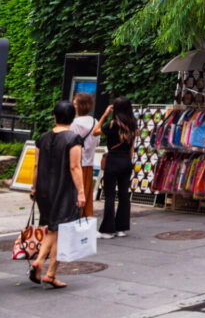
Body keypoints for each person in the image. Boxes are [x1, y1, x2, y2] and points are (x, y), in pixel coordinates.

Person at [30, 100, 86, 288]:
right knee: (60, 229)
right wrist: (81, 192)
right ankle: (44, 265)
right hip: (63, 190)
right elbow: (75, 167)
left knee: (54, 229)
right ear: (72, 118)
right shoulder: (73, 139)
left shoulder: (42, 138)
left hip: (44, 190)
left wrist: (34, 187)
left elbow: (37, 166)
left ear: (54, 117)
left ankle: (49, 271)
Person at [96, 97, 138, 238]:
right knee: (124, 195)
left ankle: (108, 230)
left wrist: (104, 114)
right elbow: (132, 147)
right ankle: (121, 228)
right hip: (126, 160)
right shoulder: (133, 124)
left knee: (110, 195)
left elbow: (95, 131)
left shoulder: (113, 124)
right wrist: (128, 161)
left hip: (113, 160)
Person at [69, 92, 99, 218]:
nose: (73, 106)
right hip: (89, 162)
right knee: (86, 193)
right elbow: (97, 142)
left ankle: (73, 221)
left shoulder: (75, 123)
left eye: (75, 104)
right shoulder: (95, 121)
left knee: (74, 195)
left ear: (80, 106)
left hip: (76, 164)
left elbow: (70, 142)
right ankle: (86, 220)